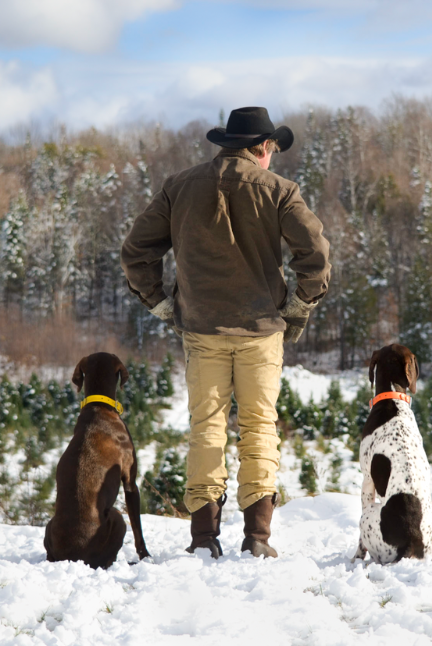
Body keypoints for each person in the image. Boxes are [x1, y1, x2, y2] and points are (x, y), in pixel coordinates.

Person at [120, 107, 331, 558]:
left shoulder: (179, 186)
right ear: (263, 147)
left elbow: (136, 251)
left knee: (206, 427)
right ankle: (257, 539)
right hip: (261, 331)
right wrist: (297, 307)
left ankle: (202, 538)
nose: (272, 155)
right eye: (272, 148)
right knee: (259, 428)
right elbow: (315, 256)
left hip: (201, 328)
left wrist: (158, 302)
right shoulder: (280, 191)